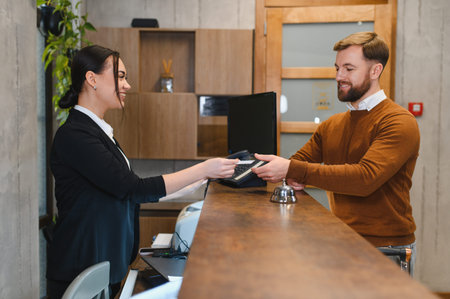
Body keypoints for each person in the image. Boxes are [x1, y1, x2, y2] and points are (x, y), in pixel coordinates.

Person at [46, 45, 238, 298]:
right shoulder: (75, 135)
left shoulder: (98, 132)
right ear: (91, 79)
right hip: (80, 271)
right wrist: (202, 168)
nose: (127, 85)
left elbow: (129, 192)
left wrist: (202, 177)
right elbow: (132, 188)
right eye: (121, 76)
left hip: (103, 268)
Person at [252, 32, 420, 274]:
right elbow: (298, 166)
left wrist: (293, 170)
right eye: (337, 68)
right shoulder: (331, 125)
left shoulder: (399, 122)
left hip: (386, 249)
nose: (339, 76)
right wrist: (292, 171)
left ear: (375, 71)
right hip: (341, 239)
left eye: (349, 68)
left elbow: (365, 179)